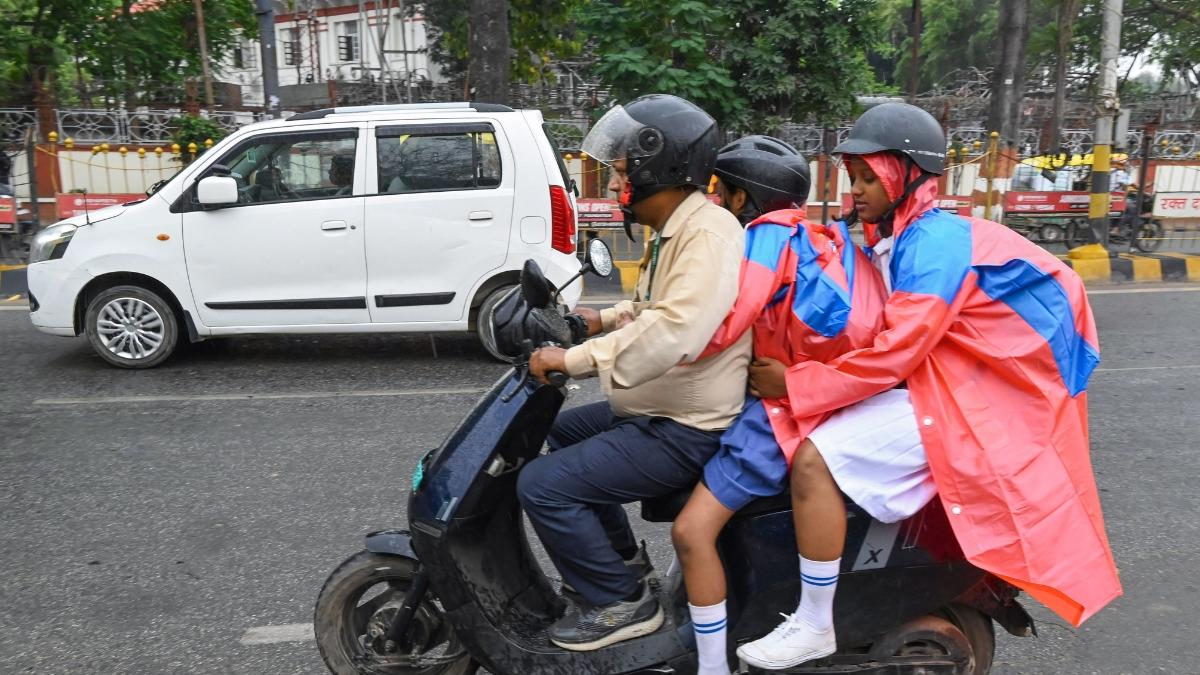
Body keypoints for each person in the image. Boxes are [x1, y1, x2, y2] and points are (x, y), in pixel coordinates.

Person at [735, 102, 1122, 670]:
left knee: (813, 459)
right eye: (855, 177)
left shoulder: (933, 245)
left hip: (973, 394)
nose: (858, 190)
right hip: (940, 379)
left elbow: (892, 355)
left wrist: (796, 383)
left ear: (906, 177)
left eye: (871, 178)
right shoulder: (894, 237)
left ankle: (816, 622)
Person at [517, 94, 753, 652]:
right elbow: (655, 309)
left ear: (659, 166)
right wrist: (599, 318)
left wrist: (574, 359)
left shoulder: (708, 235)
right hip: (658, 407)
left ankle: (619, 603)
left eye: (625, 173)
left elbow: (675, 330)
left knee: (542, 487)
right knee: (559, 432)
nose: (621, 186)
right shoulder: (682, 229)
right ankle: (622, 563)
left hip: (685, 427)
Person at [670, 136, 887, 675]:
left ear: (746, 199)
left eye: (723, 191)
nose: (715, 201)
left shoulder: (767, 235)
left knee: (690, 531)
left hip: (777, 416)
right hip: (818, 401)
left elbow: (729, 318)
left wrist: (667, 348)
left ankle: (713, 669)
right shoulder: (817, 236)